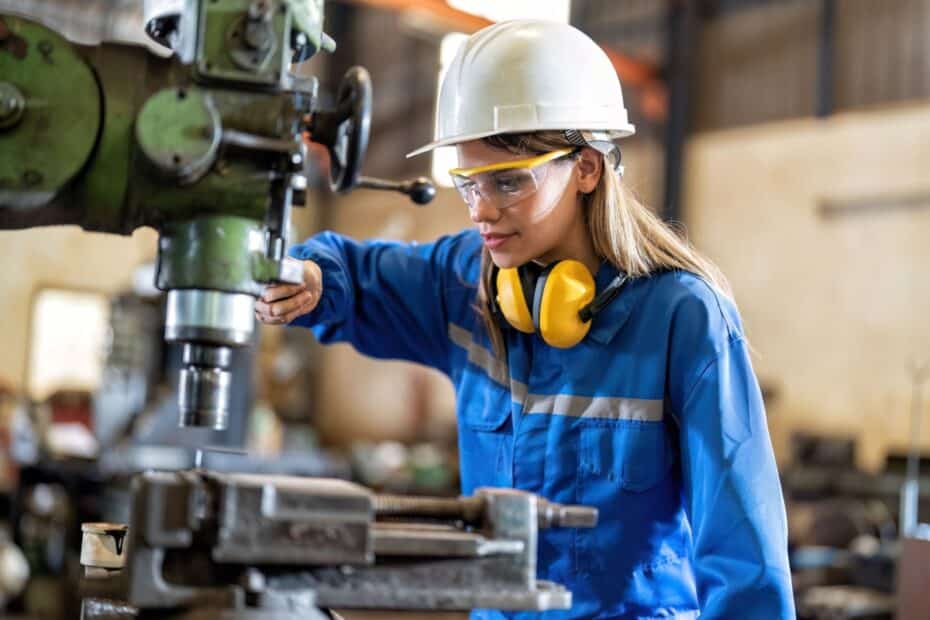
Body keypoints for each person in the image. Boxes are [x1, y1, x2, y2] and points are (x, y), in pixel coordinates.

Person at [255, 19, 794, 620]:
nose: (483, 211)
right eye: (469, 184)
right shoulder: (465, 283)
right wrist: (310, 278)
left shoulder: (682, 317)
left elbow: (744, 559)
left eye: (508, 182)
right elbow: (354, 275)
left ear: (587, 167)